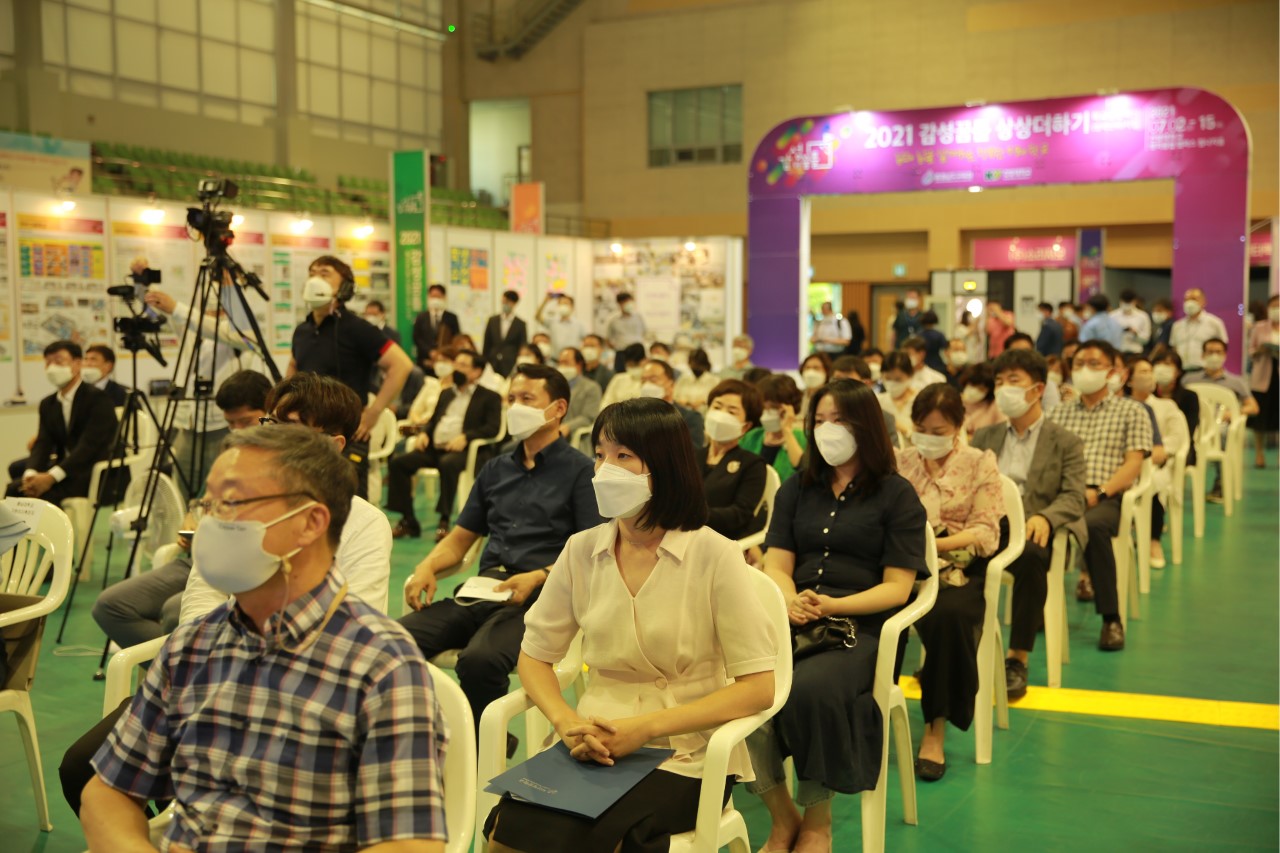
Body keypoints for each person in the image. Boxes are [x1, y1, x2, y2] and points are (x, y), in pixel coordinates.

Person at [80, 425, 448, 853]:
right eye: (208, 505)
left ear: (310, 522)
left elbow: (409, 845)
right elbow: (107, 793)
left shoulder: (383, 666)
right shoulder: (192, 646)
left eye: (232, 503)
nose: (210, 523)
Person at [62, 375, 396, 819]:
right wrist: (208, 663)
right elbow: (203, 591)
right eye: (271, 422)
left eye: (292, 428)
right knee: (83, 770)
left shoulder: (363, 524)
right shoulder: (239, 502)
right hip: (209, 678)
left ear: (333, 445)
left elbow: (356, 625)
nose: (270, 437)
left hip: (296, 697)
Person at [482, 397, 776, 853]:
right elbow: (535, 656)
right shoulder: (581, 550)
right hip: (592, 740)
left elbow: (758, 687)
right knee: (506, 830)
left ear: (664, 468)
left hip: (685, 753)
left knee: (601, 838)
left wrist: (644, 729)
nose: (604, 470)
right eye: (600, 455)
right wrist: (566, 722)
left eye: (623, 456)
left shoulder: (714, 554)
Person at [747, 379, 927, 853]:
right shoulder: (797, 488)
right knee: (738, 686)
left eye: (839, 420)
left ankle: (817, 821)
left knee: (810, 691)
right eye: (820, 420)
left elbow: (897, 588)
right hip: (793, 616)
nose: (827, 430)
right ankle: (782, 816)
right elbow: (777, 564)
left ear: (865, 426)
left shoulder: (896, 495)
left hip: (858, 628)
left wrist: (833, 605)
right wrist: (789, 599)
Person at [401, 364, 600, 730]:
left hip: (541, 597)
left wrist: (538, 576)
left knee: (480, 660)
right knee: (394, 641)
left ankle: (484, 743)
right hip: (484, 590)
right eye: (512, 399)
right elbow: (460, 539)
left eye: (527, 399)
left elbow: (591, 552)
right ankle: (426, 731)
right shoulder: (495, 469)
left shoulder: (580, 472)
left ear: (558, 408)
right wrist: (428, 566)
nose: (515, 407)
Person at [90, 370, 271, 650]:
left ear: (269, 413)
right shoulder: (229, 454)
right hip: (195, 558)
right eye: (230, 423)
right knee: (110, 606)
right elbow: (201, 501)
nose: (237, 430)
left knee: (176, 611)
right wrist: (191, 520)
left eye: (246, 422)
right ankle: (176, 665)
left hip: (238, 564)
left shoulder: (280, 463)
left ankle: (186, 663)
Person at [896, 383, 1004, 780]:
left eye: (938, 431)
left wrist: (934, 544)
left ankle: (934, 729)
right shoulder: (900, 462)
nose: (928, 438)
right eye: (921, 429)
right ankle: (868, 712)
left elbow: (986, 531)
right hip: (902, 564)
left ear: (958, 427)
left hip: (955, 568)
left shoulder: (980, 463)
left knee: (950, 617)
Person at [974, 349, 1086, 700]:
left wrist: (1046, 516)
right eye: (998, 382)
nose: (1003, 388)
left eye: (1013, 381)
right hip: (988, 525)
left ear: (1037, 389)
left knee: (1034, 557)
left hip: (1032, 527)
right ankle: (957, 650)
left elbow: (1074, 496)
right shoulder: (984, 437)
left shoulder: (1065, 441)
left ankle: (1017, 658)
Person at [1049, 339, 1152, 651]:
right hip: (1065, 494)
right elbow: (1050, 461)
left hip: (1108, 495)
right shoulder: (1059, 413)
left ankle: (1111, 618)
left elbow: (1133, 463)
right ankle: (1037, 606)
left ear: (1111, 371)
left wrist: (1101, 492)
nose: (1085, 370)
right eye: (1079, 364)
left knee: (1093, 526)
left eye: (1094, 363)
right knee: (1032, 526)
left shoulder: (1132, 411)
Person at [143, 286, 267, 495]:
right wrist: (143, 283)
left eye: (217, 311)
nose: (211, 315)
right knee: (182, 490)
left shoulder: (241, 334)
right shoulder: (193, 331)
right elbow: (162, 309)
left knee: (224, 489)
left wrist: (178, 308)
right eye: (207, 310)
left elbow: (218, 329)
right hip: (189, 425)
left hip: (224, 426)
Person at [289, 256, 413, 446]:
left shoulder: (357, 328)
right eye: (312, 274)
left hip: (346, 433)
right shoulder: (302, 330)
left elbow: (401, 365)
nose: (315, 280)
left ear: (345, 287)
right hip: (305, 432)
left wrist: (373, 413)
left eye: (324, 274)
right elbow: (293, 365)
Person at [385, 349, 503, 540]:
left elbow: (493, 428)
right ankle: (408, 520)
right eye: (456, 363)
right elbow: (434, 420)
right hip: (435, 448)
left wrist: (466, 437)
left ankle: (444, 520)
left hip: (464, 451)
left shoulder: (489, 397)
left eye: (463, 365)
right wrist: (425, 433)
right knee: (399, 463)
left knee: (448, 463)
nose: (456, 368)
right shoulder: (446, 393)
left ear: (477, 372)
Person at [6, 341, 117, 503]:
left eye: (58, 361)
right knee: (14, 489)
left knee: (44, 496)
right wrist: (30, 474)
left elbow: (89, 447)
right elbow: (43, 443)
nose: (52, 367)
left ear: (77, 364)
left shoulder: (98, 399)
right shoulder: (48, 404)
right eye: (48, 362)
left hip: (93, 473)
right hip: (66, 471)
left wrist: (51, 477)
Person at [1125, 355, 1189, 569]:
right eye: (1143, 372)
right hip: (1125, 463)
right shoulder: (1121, 406)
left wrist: (1151, 453)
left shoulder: (1166, 406)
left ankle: (1153, 540)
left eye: (1150, 371)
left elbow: (1176, 438)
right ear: (1129, 380)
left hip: (1156, 464)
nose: (1149, 376)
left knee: (1153, 483)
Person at [1184, 338, 1259, 501]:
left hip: (1220, 425)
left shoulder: (1236, 382)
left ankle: (1221, 482)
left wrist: (1234, 412)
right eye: (1210, 352)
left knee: (1222, 433)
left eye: (1218, 352)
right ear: (1203, 355)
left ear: (1225, 355)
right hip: (1194, 424)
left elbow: (1253, 407)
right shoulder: (1189, 380)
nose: (1214, 356)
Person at [702, 380, 768, 540]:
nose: (720, 416)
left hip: (721, 540)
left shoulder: (752, 464)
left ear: (746, 426)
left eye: (731, 412)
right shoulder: (689, 454)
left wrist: (694, 516)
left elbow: (741, 513)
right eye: (717, 407)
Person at [740, 374, 808, 482]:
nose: (767, 412)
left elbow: (804, 470)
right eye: (764, 407)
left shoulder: (804, 438)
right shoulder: (753, 436)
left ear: (790, 407)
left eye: (774, 407)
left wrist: (787, 431)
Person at [639, 359, 704, 450]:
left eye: (653, 380)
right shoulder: (634, 417)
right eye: (643, 381)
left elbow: (693, 452)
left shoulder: (689, 418)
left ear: (671, 385)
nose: (647, 385)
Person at [1248, 294, 1279, 468]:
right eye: (1274, 306)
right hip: (1262, 377)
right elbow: (1250, 351)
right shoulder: (1259, 327)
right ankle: (1259, 453)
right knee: (1260, 417)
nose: (1277, 309)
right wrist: (1260, 350)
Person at [1169, 287, 1229, 371]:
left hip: (1205, 370)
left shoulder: (1214, 323)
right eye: (1186, 300)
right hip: (1182, 370)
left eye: (1194, 299)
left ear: (1204, 302)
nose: (1189, 303)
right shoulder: (1177, 326)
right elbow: (1174, 348)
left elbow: (1222, 347)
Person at [556, 347, 603, 440]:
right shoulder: (553, 386)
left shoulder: (592, 387)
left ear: (579, 365)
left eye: (566, 362)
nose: (562, 367)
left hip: (575, 437)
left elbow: (588, 417)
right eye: (560, 363)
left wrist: (568, 426)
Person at [413, 282, 461, 370]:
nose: (435, 299)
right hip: (424, 362)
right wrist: (430, 352)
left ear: (444, 297)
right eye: (432, 296)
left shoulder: (451, 317)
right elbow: (417, 338)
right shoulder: (421, 317)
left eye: (438, 296)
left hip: (446, 361)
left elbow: (456, 338)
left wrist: (442, 354)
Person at [484, 289, 529, 378]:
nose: (505, 304)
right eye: (503, 302)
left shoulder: (520, 324)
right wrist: (484, 361)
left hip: (510, 363)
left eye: (507, 302)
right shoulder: (492, 320)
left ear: (514, 303)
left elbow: (522, 344)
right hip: (492, 362)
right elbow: (486, 343)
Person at [878, 350, 918, 441]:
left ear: (910, 375)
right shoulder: (878, 400)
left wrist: (905, 430)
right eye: (888, 378)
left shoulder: (921, 401)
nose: (892, 383)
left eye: (898, 379)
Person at [959, 362, 1006, 438]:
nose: (974, 391)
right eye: (972, 385)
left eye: (981, 389)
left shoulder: (995, 406)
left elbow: (1002, 432)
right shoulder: (954, 401)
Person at [606, 292, 647, 373]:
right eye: (625, 302)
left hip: (638, 352)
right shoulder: (613, 319)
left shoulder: (638, 317)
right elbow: (608, 339)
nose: (628, 304)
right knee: (621, 374)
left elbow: (644, 332)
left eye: (629, 301)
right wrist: (617, 348)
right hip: (622, 352)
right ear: (619, 304)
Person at [600, 342, 647, 409]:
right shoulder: (619, 378)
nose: (633, 367)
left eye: (636, 365)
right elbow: (606, 403)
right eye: (630, 365)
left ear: (645, 360)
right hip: (618, 414)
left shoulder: (651, 380)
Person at [1111, 289, 1152, 354]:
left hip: (1136, 352)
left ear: (1135, 301)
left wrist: (1135, 333)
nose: (1127, 304)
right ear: (1120, 301)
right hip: (1118, 351)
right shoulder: (1112, 316)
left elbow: (1146, 340)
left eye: (1129, 302)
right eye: (1125, 302)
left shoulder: (1143, 316)